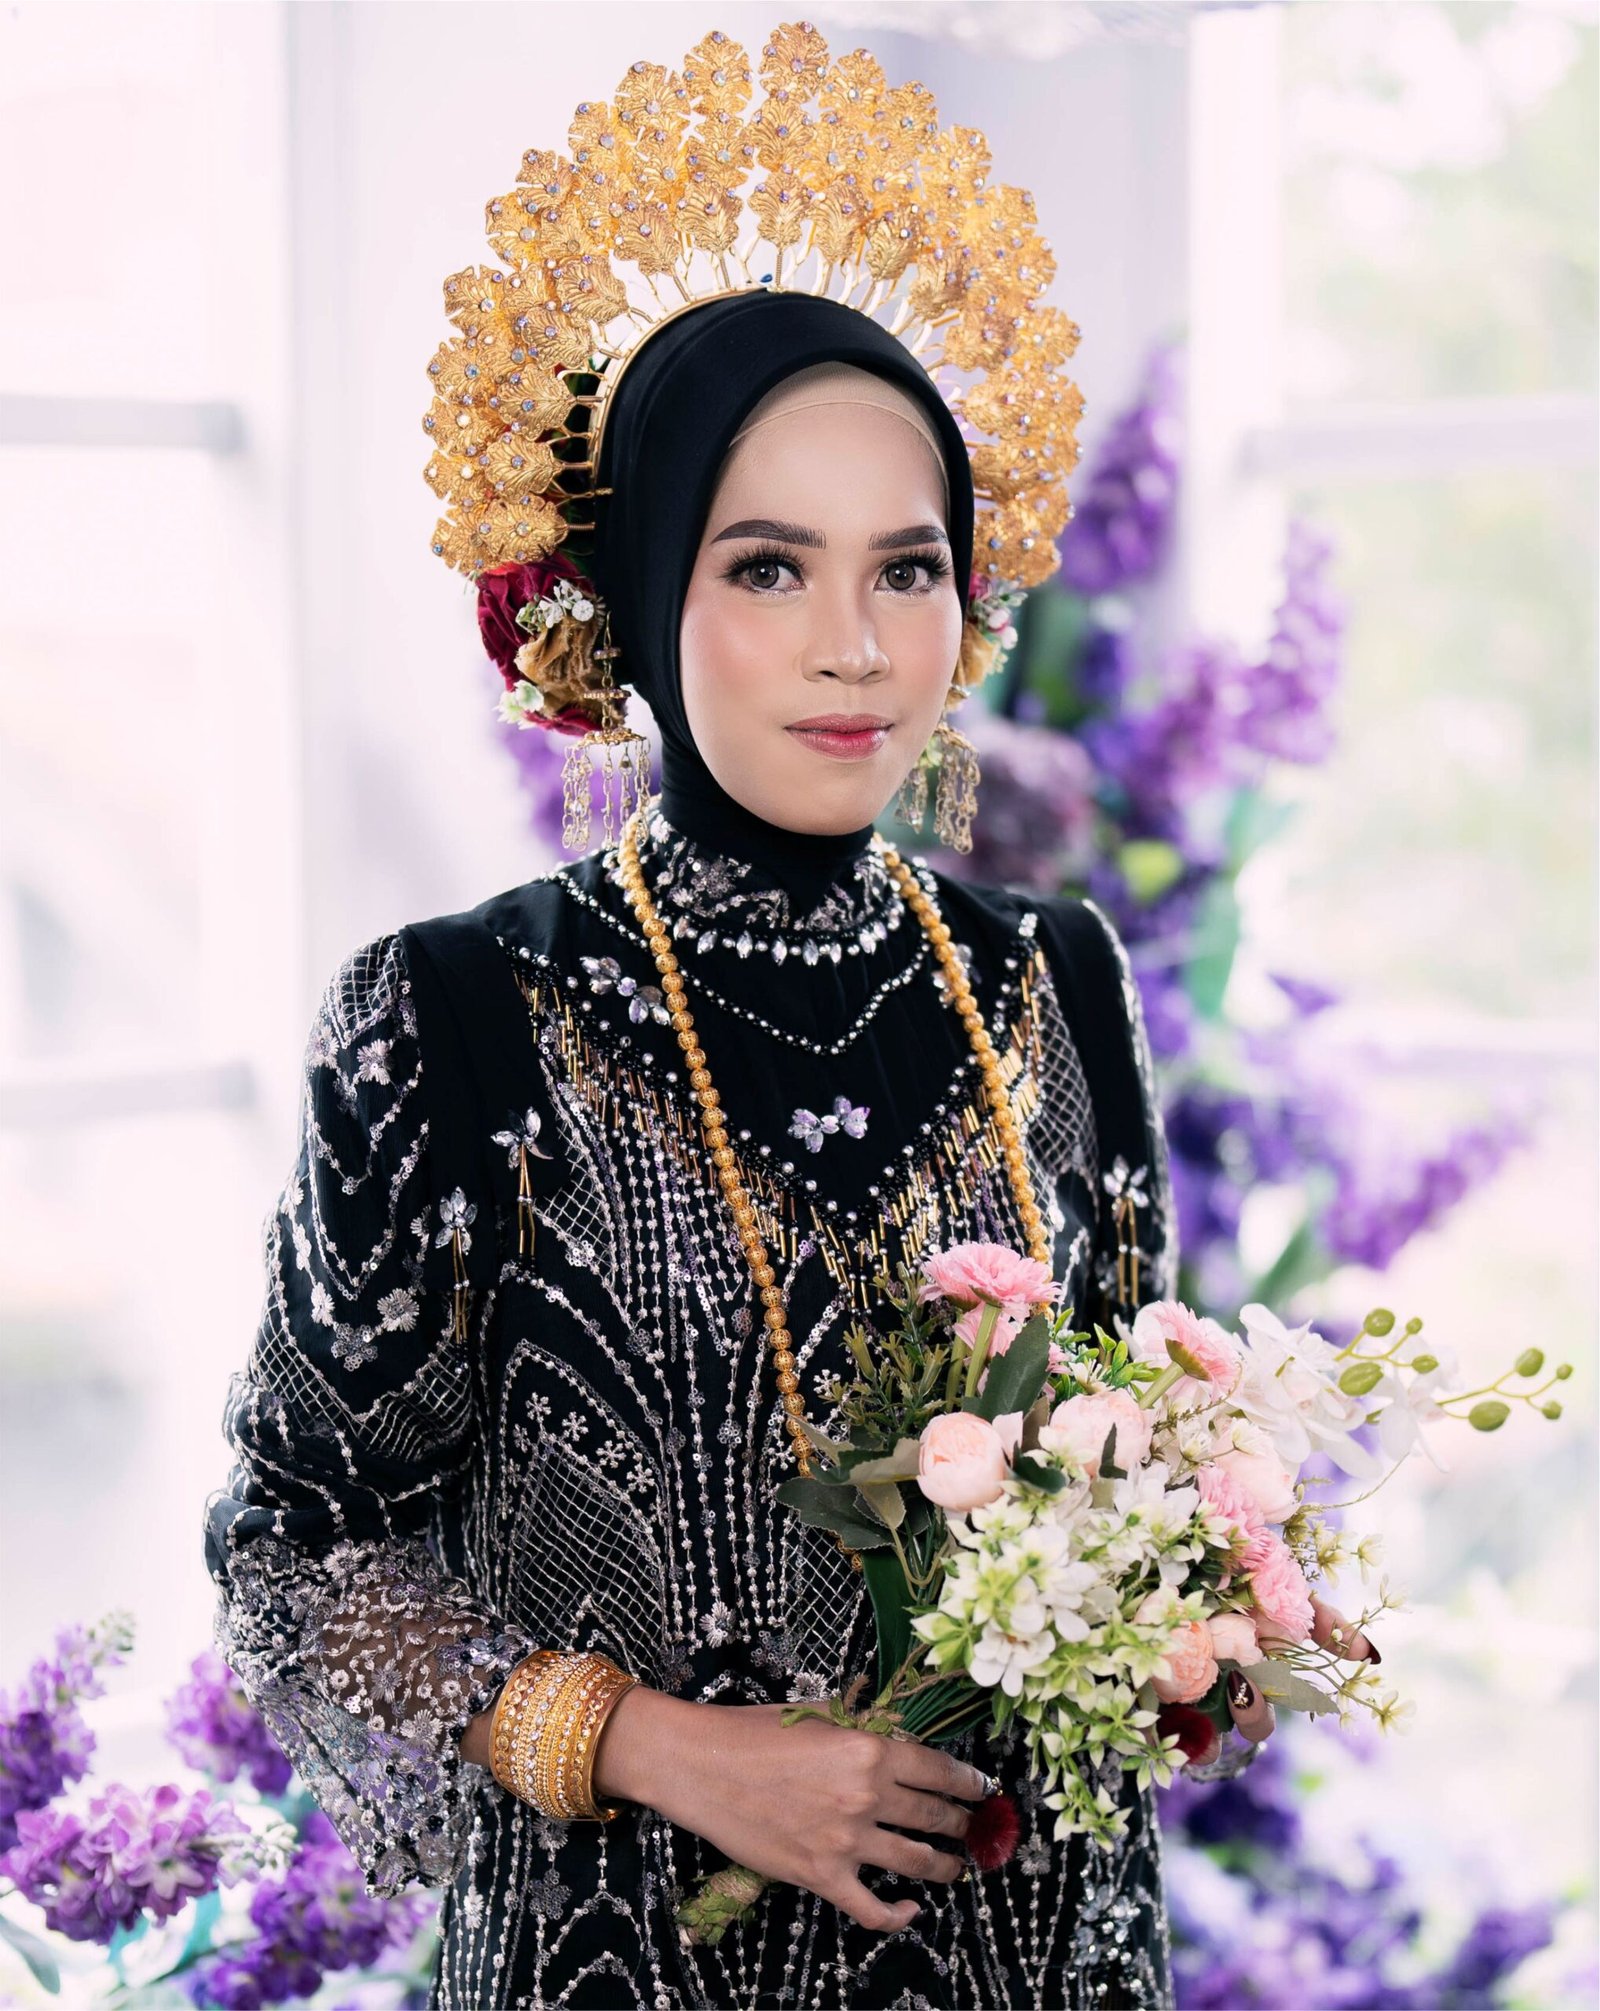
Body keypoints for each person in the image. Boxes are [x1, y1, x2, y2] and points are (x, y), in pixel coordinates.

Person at [204, 34, 1378, 2011]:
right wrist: (656, 1747)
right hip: (621, 1966)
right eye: (769, 567)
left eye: (906, 569)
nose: (855, 646)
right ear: (639, 599)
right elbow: (294, 1554)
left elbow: (1133, 1444)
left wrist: (1203, 1620)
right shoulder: (456, 1015)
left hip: (1034, 1959)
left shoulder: (1055, 979)